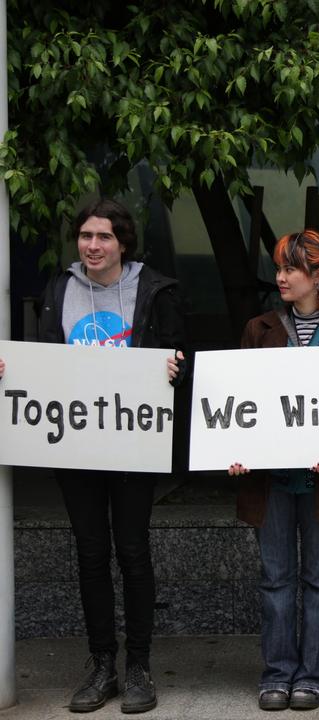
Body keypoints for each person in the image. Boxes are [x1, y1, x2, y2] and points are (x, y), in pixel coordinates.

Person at [0, 199, 184, 714]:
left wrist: (175, 370)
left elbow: (180, 356)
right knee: (89, 553)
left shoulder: (155, 290)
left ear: (123, 242)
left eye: (103, 236)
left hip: (133, 443)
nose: (93, 246)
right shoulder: (60, 289)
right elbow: (45, 360)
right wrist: (12, 372)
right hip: (77, 445)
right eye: (85, 236)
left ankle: (139, 665)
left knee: (132, 552)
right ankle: (101, 663)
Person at [228, 230, 319, 712]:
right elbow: (237, 400)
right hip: (270, 481)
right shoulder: (258, 328)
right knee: (275, 580)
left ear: (318, 275)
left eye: (290, 269)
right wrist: (233, 446)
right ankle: (277, 673)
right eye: (280, 267)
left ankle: (312, 675)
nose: (280, 277)